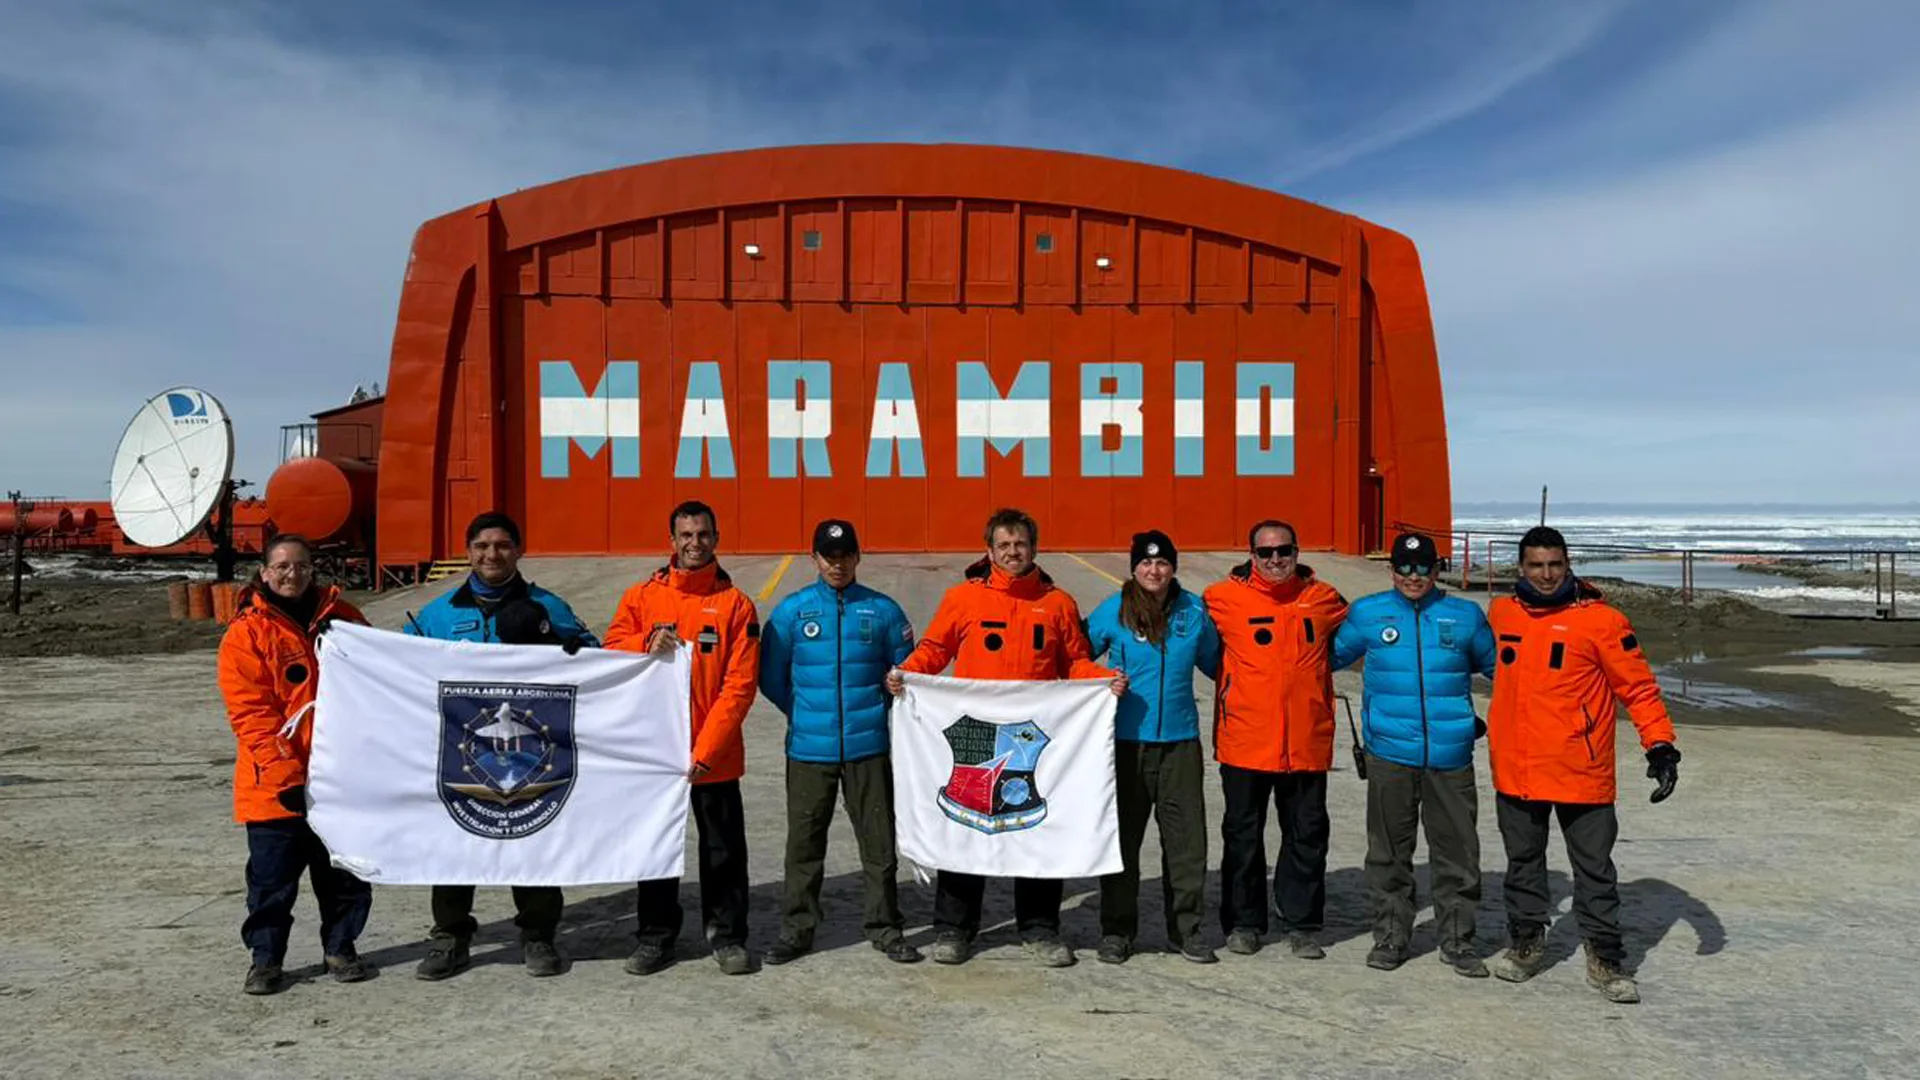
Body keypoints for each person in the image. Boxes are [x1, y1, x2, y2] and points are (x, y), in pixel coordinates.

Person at [885, 508, 1124, 967]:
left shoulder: (1057, 603)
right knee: (966, 823)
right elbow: (936, 650)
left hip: (1030, 736)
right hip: (975, 732)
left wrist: (1102, 679)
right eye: (1004, 546)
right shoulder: (964, 600)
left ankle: (1039, 928)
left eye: (1021, 545)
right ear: (989, 551)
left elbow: (1074, 661)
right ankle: (954, 929)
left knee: (1034, 827)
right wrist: (907, 676)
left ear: (1034, 548)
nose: (1013, 553)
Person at [1485, 525, 1681, 1005]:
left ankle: (1606, 958)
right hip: (1518, 764)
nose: (1547, 574)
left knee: (1594, 870)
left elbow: (1637, 687)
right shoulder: (1501, 613)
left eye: (1555, 564)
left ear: (1568, 564)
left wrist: (1659, 744)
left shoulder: (1603, 621)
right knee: (1523, 863)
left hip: (1581, 766)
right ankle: (1527, 942)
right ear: (1521, 568)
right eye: (1536, 565)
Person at [405, 510, 598, 980]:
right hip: (460, 753)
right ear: (468, 551)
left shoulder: (548, 605)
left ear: (519, 550)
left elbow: (594, 657)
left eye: (503, 545)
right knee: (453, 841)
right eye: (482, 546)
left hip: (532, 754)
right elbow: (400, 667)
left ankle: (538, 934)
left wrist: (556, 639)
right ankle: (450, 936)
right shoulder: (439, 614)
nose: (492, 554)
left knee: (531, 834)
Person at [605, 500, 761, 976]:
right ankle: (655, 937)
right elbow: (609, 650)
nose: (695, 544)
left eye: (704, 535)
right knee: (655, 846)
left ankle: (728, 936)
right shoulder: (642, 597)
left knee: (722, 850)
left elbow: (739, 685)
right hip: (655, 754)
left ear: (717, 538)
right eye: (686, 536)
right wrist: (641, 642)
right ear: (671, 541)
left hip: (713, 756)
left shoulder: (736, 606)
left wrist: (705, 751)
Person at [1331, 531, 1496, 977]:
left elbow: (1503, 670)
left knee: (1458, 853)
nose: (1413, 576)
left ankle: (1458, 940)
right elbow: (1321, 657)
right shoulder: (1368, 613)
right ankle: (1390, 936)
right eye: (1404, 568)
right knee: (1387, 853)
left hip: (1451, 754)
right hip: (1389, 754)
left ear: (1437, 570)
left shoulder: (1464, 616)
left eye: (1423, 567)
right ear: (1392, 571)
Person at [758, 520, 922, 965]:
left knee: (878, 844)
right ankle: (797, 929)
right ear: (814, 558)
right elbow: (771, 678)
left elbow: (909, 671)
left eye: (846, 555)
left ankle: (885, 927)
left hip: (868, 749)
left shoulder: (883, 611)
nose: (838, 564)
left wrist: (884, 698)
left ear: (858, 558)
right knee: (804, 847)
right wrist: (805, 713)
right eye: (829, 556)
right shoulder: (791, 612)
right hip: (809, 751)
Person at [216, 533, 373, 995]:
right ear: (264, 573)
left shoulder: (344, 620)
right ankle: (266, 960)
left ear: (313, 571)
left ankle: (341, 947)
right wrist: (287, 775)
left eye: (301, 566)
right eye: (281, 566)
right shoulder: (246, 635)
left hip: (340, 780)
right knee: (271, 885)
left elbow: (378, 681)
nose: (292, 574)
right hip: (274, 786)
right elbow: (253, 715)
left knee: (343, 875)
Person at [1203, 519, 1349, 959]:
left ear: (1297, 551)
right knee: (1243, 838)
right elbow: (1203, 651)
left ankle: (1302, 924)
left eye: (1283, 551)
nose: (1275, 560)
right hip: (1245, 741)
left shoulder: (1324, 599)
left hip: (1306, 741)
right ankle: (1244, 923)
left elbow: (1354, 641)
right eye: (1265, 553)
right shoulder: (1221, 600)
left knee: (1307, 835)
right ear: (1252, 556)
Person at [1084, 530, 1222, 965]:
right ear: (1133, 567)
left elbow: (1219, 665)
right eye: (1145, 563)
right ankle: (1117, 931)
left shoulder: (1194, 612)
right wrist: (1098, 679)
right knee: (1122, 841)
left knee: (1187, 844)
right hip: (1126, 745)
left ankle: (1187, 930)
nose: (1154, 570)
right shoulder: (1113, 612)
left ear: (1173, 567)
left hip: (1180, 743)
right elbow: (1077, 658)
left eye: (1162, 562)